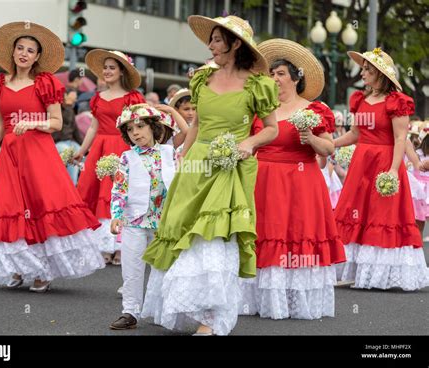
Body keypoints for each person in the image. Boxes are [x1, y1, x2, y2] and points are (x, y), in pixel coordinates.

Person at [141, 15, 279, 336]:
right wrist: (183, 154)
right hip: (197, 163)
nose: (211, 45)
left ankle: (212, 319)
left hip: (232, 166)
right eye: (212, 39)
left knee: (215, 235)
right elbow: (199, 125)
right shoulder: (202, 80)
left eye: (218, 40)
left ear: (235, 45)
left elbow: (272, 129)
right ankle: (189, 306)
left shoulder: (258, 84)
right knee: (185, 229)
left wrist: (249, 142)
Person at [0, 21, 105, 292]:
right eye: (19, 48)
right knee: (7, 207)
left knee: (42, 206)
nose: (23, 53)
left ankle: (44, 271)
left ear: (36, 57)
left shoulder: (45, 83)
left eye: (30, 50)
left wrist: (32, 123)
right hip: (10, 153)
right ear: (12, 52)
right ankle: (19, 267)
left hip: (38, 152)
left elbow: (55, 123)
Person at [239, 39, 346, 320]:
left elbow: (329, 148)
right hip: (263, 178)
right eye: (271, 74)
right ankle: (260, 300)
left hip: (300, 179)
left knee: (297, 233)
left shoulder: (313, 110)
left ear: (296, 79)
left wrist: (310, 138)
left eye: (281, 74)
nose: (275, 79)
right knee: (265, 232)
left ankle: (295, 300)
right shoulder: (262, 108)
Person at [334, 48, 429, 290]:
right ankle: (357, 270)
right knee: (358, 211)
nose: (362, 72)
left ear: (381, 74)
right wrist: (329, 144)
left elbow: (400, 139)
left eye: (368, 69)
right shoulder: (360, 100)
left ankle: (380, 274)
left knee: (382, 214)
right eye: (363, 68)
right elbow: (355, 134)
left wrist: (393, 169)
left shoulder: (396, 102)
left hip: (385, 161)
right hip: (361, 163)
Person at [109, 104, 176, 330]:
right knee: (132, 267)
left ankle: (162, 310)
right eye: (129, 130)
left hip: (163, 221)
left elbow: (184, 131)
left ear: (154, 127)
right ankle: (130, 312)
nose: (135, 132)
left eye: (140, 126)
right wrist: (117, 215)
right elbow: (119, 187)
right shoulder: (127, 157)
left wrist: (168, 108)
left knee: (163, 268)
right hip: (134, 221)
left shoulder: (169, 153)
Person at [75, 49, 145, 265]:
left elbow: (141, 127)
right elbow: (93, 127)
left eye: (111, 67)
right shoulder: (97, 98)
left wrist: (140, 150)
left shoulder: (133, 98)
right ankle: (104, 245)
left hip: (124, 147)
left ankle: (121, 247)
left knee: (122, 195)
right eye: (105, 67)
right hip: (100, 148)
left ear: (121, 71)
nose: (106, 71)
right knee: (97, 194)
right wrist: (81, 151)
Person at [53, 88, 83, 185]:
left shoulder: (69, 109)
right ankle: (72, 186)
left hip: (71, 142)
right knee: (72, 156)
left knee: (86, 157)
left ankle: (82, 185)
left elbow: (75, 131)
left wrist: (84, 147)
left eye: (64, 95)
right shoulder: (52, 110)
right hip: (58, 143)